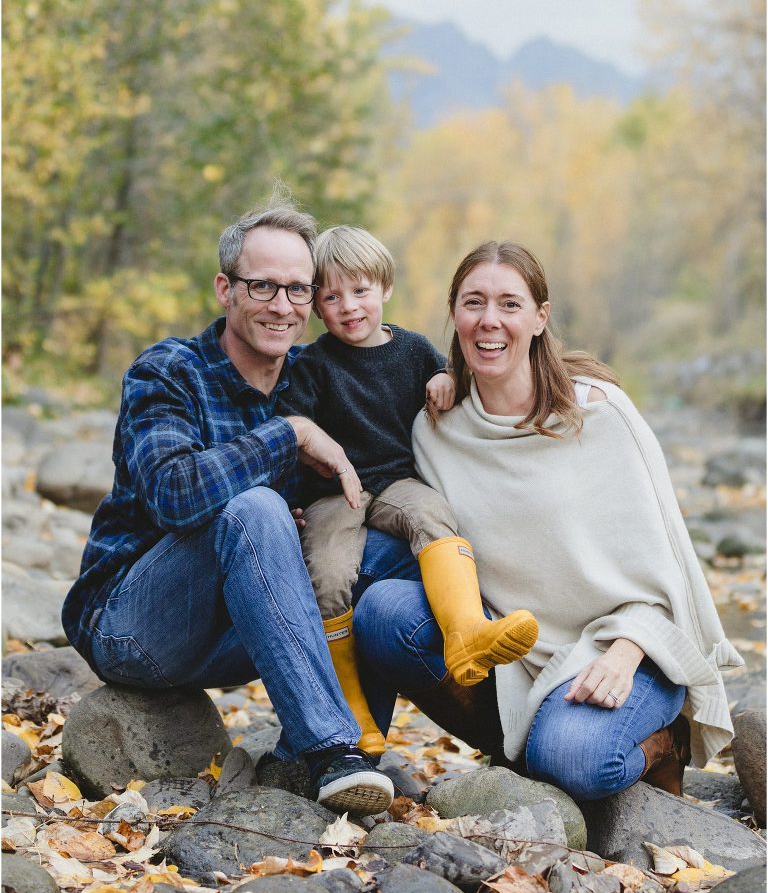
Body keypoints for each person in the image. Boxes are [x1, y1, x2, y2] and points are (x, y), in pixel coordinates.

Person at [354, 240, 743, 800]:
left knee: (574, 761)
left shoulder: (600, 415)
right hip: (514, 652)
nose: (490, 320)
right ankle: (518, 753)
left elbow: (670, 574)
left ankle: (666, 742)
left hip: (625, 646)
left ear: (540, 318)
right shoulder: (436, 431)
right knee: (383, 613)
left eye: (510, 304)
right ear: (454, 315)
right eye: (474, 302)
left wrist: (627, 652)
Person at [61, 199, 397, 816]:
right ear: (225, 288)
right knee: (257, 509)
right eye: (262, 285)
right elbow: (175, 492)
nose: (282, 305)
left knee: (381, 559)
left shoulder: (312, 377)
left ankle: (349, 760)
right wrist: (287, 436)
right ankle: (331, 747)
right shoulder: (168, 371)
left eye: (299, 290)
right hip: (132, 624)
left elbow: (395, 411)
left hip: (242, 624)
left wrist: (456, 380)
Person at [276, 226, 539, 757]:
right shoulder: (312, 364)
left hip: (397, 481)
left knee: (433, 513)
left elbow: (456, 376)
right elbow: (290, 424)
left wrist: (446, 380)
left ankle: (465, 630)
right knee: (326, 575)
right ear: (317, 308)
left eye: (361, 290)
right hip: (335, 493)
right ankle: (350, 712)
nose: (349, 307)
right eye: (332, 296)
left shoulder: (414, 350)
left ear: (385, 289)